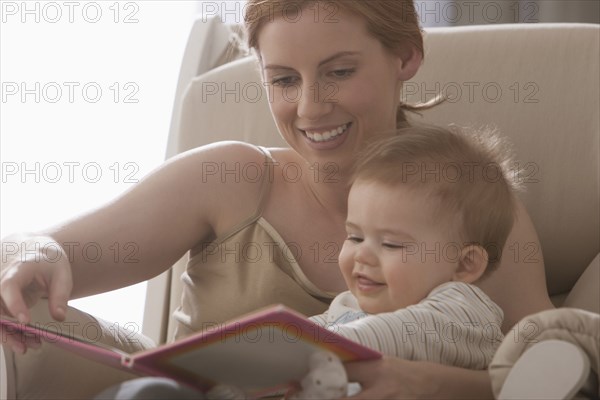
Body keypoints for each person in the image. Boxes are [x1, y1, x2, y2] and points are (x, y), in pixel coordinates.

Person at [0, 0, 554, 398]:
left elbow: (559, 372)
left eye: (339, 72)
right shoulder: (230, 177)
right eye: (285, 80)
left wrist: (425, 384)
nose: (311, 108)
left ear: (406, 57)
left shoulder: (473, 211)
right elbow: (33, 255)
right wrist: (34, 249)